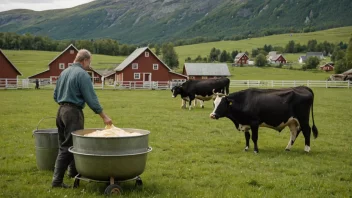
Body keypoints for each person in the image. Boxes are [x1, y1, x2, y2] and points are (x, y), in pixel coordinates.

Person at [52, 49, 113, 188]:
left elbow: (55, 95)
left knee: (68, 144)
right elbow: (91, 98)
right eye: (89, 62)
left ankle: (73, 173)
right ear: (84, 60)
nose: (89, 65)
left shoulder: (64, 72)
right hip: (73, 112)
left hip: (61, 110)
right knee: (68, 147)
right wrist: (104, 116)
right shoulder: (82, 75)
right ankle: (56, 182)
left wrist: (64, 103)